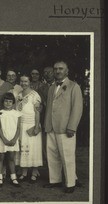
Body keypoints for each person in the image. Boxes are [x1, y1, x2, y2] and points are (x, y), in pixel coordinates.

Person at [43, 61, 83, 193]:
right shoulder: (51, 87)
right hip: (51, 126)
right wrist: (46, 124)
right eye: (55, 69)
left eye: (61, 69)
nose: (58, 71)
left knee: (67, 156)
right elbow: (50, 107)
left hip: (65, 128)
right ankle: (55, 180)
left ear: (67, 71)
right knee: (52, 155)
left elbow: (77, 108)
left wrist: (72, 126)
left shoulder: (73, 86)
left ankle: (70, 183)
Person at [16, 74, 43, 184]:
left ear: (30, 82)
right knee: (23, 148)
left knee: (33, 148)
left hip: (32, 124)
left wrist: (36, 127)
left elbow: (37, 112)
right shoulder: (19, 95)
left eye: (26, 81)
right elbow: (18, 110)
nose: (23, 83)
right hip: (22, 125)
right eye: (22, 81)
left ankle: (34, 172)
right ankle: (24, 172)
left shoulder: (34, 95)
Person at [0, 92, 22, 188]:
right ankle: (0, 177)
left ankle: (13, 177)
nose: (8, 103)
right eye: (6, 101)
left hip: (13, 138)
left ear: (13, 102)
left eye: (10, 101)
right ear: (3, 102)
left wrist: (14, 139)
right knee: (0, 158)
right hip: (3, 139)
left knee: (11, 158)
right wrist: (4, 140)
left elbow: (18, 128)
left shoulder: (17, 114)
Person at [37, 66, 55, 164]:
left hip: (57, 120)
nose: (47, 74)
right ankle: (49, 167)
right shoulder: (41, 88)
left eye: (49, 72)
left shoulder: (59, 86)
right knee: (46, 144)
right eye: (45, 72)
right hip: (45, 119)